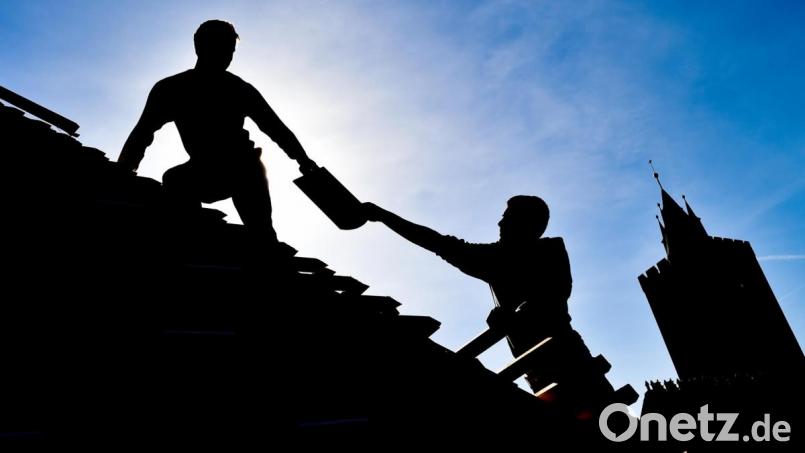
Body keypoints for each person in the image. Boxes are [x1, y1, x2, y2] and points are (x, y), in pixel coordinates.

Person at [118, 20, 316, 242]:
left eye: (230, 51)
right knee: (175, 180)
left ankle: (265, 249)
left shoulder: (240, 89)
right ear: (199, 46)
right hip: (204, 170)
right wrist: (124, 170)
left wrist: (303, 160)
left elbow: (276, 128)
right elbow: (143, 132)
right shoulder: (171, 89)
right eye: (220, 48)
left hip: (244, 169)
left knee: (263, 237)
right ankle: (195, 241)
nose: (226, 56)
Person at [363, 196, 581, 392]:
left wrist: (512, 313)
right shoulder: (493, 257)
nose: (500, 223)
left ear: (527, 224)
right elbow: (438, 243)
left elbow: (555, 293)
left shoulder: (550, 250)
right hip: (535, 371)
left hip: (568, 360)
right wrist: (383, 216)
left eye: (508, 218)